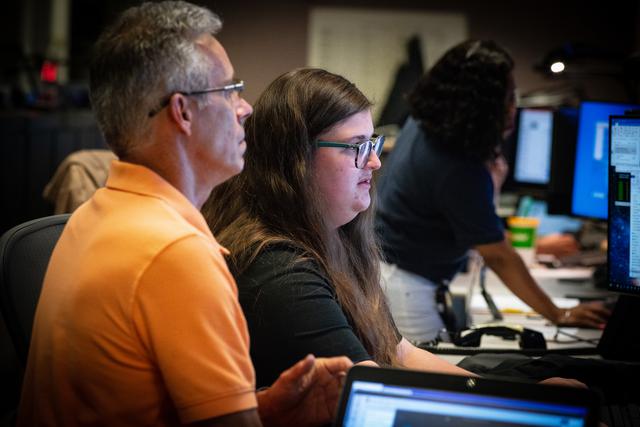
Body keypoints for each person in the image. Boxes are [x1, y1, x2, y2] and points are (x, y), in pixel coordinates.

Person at [17, 3, 351, 426]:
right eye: (230, 90)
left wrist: (266, 411)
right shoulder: (177, 254)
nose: (245, 108)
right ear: (183, 112)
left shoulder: (94, 215)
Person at [375, 39, 611, 343]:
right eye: (508, 97)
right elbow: (497, 255)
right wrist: (558, 314)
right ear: (484, 106)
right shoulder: (456, 164)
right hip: (409, 290)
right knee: (435, 371)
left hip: (398, 276)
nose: (513, 108)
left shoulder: (424, 123)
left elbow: (472, 224)